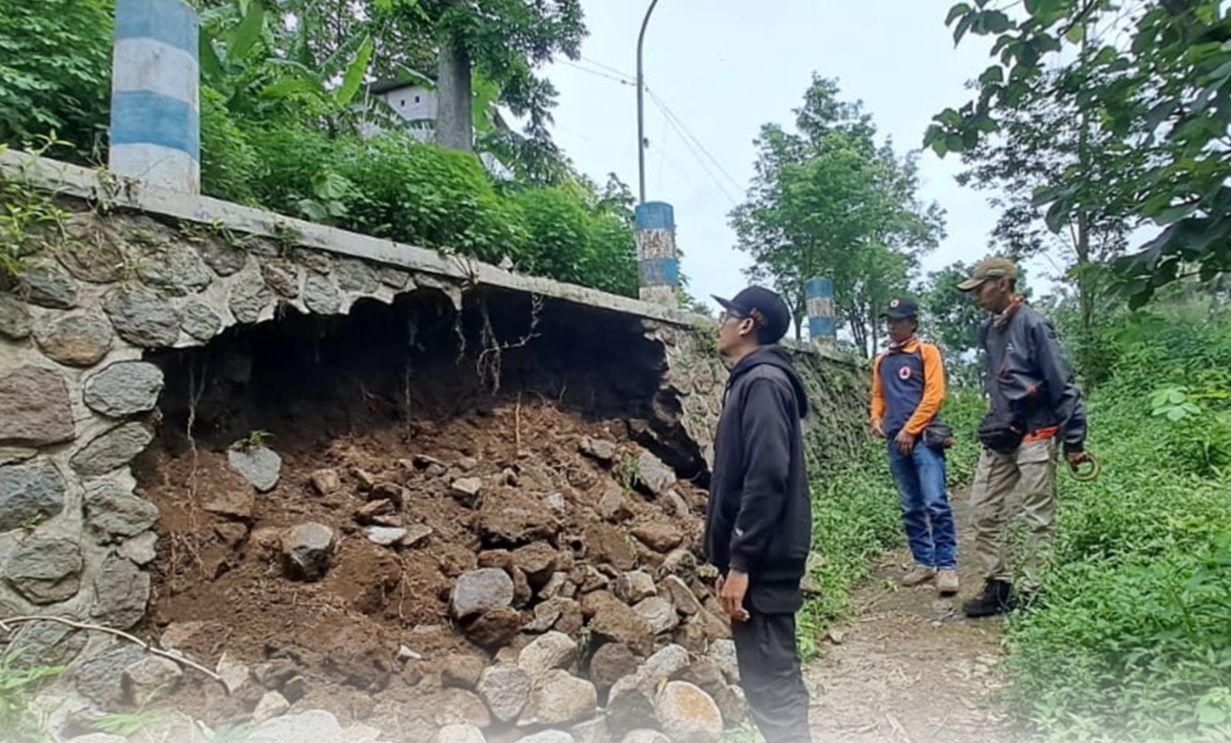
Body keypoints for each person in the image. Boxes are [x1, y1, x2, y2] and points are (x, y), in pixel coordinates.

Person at [703, 285, 813, 743]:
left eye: (726, 315)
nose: (720, 324)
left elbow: (767, 476)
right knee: (767, 683)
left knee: (774, 686)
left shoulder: (762, 382)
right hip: (757, 560)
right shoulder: (754, 379)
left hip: (763, 563)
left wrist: (742, 562)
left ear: (747, 324)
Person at [957, 258, 1091, 618]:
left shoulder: (1034, 324)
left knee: (1037, 515)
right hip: (1003, 434)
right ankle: (998, 585)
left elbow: (1063, 383)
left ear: (1003, 283)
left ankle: (1035, 590)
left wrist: (1074, 441)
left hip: (1037, 432)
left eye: (981, 287)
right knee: (982, 510)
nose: (977, 295)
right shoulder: (988, 329)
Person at [870, 297, 960, 596]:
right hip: (896, 441)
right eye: (889, 321)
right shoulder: (882, 360)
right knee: (910, 505)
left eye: (898, 320)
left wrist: (911, 430)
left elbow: (934, 396)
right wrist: (875, 418)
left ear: (913, 324)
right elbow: (879, 395)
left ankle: (947, 565)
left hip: (923, 440)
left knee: (935, 501)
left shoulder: (926, 352)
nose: (892, 326)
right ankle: (924, 561)